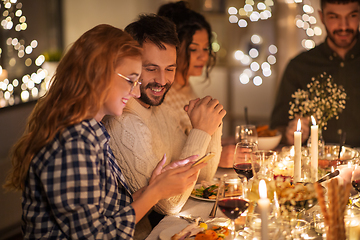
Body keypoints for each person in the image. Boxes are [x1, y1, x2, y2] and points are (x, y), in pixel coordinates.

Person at [3, 24, 206, 239]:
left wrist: (154, 187)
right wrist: (156, 192)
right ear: (98, 75)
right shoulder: (73, 142)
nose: (136, 92)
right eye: (130, 80)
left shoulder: (92, 131)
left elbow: (108, 212)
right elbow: (95, 236)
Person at [103, 15, 225, 238]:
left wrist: (212, 125)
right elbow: (170, 205)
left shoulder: (160, 107)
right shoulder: (124, 121)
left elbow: (204, 176)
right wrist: (200, 132)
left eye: (170, 69)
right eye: (151, 68)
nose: (162, 80)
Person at [270, 0, 360, 147]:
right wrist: (290, 134)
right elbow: (277, 128)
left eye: (352, 15)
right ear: (322, 17)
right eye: (334, 17)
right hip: (315, 166)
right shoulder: (299, 66)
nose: (344, 26)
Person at [157, 1, 233, 168]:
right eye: (193, 49)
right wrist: (217, 160)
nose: (203, 57)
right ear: (175, 49)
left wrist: (228, 142)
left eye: (206, 49)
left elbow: (190, 137)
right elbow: (168, 156)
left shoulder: (186, 87)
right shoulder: (161, 96)